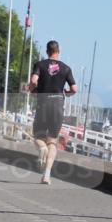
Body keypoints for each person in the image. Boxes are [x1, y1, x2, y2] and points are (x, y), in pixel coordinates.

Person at [29, 40, 78, 184]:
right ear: (59, 51)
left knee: (38, 136)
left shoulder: (40, 65)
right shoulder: (66, 68)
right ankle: (47, 175)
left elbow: (33, 80)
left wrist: (33, 90)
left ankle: (42, 148)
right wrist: (66, 93)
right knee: (53, 141)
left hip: (43, 104)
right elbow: (74, 89)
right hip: (57, 105)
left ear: (47, 51)